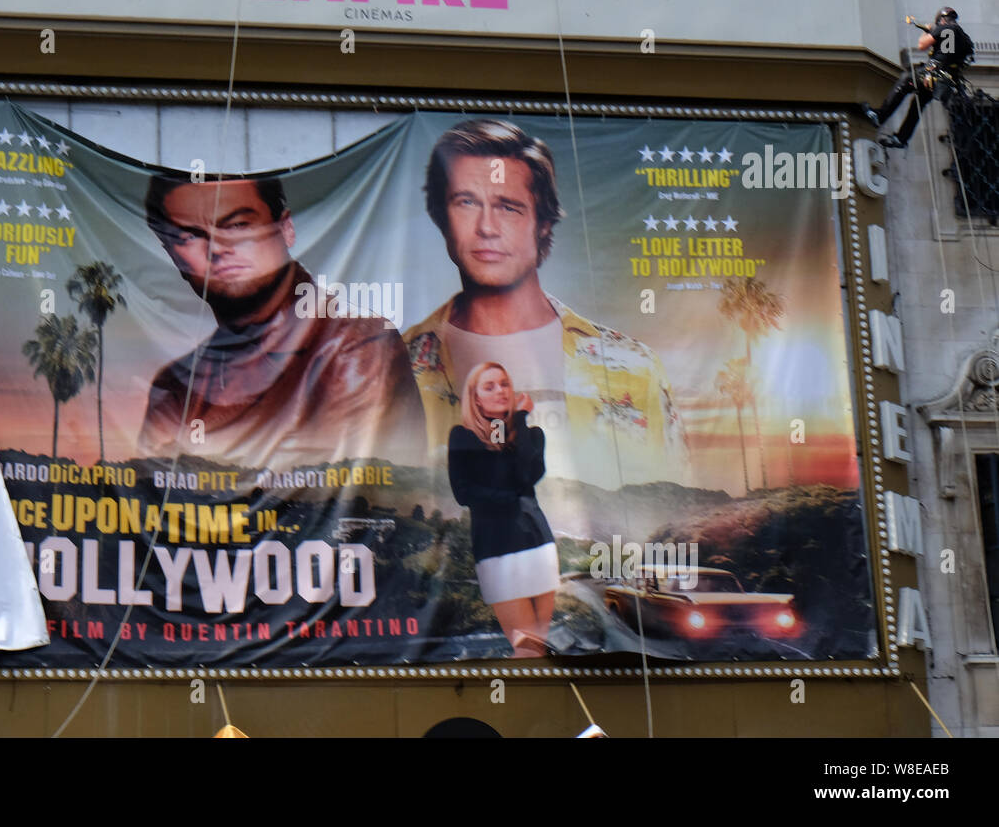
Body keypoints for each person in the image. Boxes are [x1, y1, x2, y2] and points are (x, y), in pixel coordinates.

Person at [404, 119, 689, 489]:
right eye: (467, 202)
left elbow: (677, 505)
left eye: (508, 207)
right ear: (442, 217)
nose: (487, 227)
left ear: (543, 223)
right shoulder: (396, 363)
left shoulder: (636, 368)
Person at [138, 172, 426, 470]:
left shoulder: (355, 345)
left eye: (238, 225)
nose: (218, 248)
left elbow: (339, 494)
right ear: (172, 255)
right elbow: (161, 500)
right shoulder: (174, 387)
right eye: (189, 236)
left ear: (286, 228)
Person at [447, 362, 556, 658]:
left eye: (504, 383)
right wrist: (509, 498)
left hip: (538, 545)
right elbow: (464, 492)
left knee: (539, 649)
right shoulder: (463, 437)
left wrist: (519, 418)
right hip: (498, 549)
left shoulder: (531, 435)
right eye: (489, 386)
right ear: (476, 398)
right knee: (526, 649)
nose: (500, 391)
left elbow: (525, 476)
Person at [862, 6, 973, 149]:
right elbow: (957, 54)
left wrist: (926, 31)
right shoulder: (964, 38)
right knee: (918, 105)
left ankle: (880, 116)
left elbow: (922, 45)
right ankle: (901, 138)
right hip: (946, 80)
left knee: (906, 81)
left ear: (942, 20)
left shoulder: (945, 28)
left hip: (932, 73)